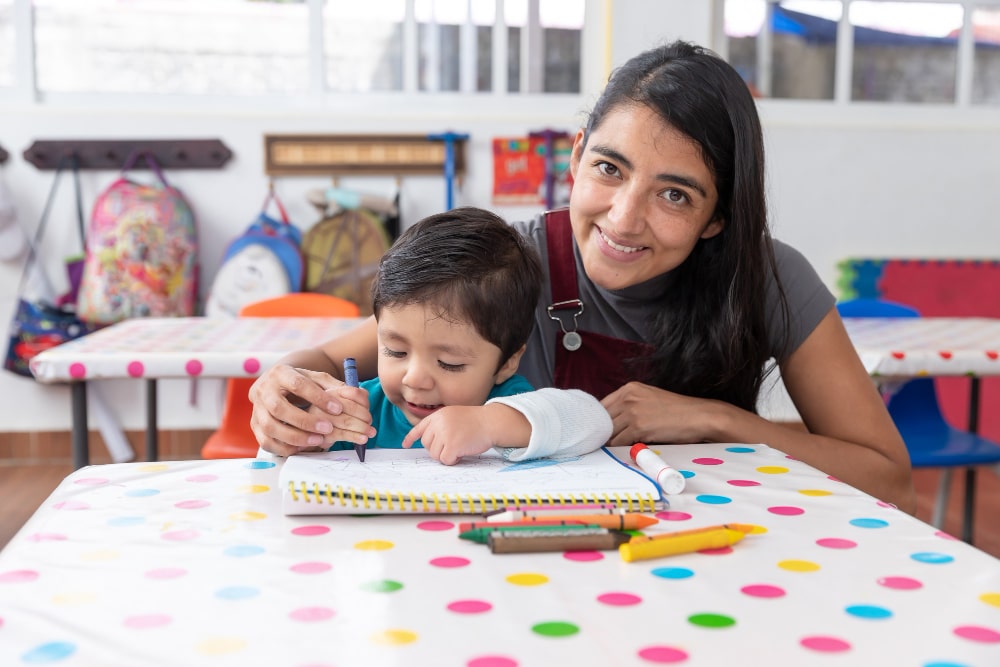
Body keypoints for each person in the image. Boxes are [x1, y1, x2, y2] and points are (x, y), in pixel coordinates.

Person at [249, 40, 916, 513]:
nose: (624, 219)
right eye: (609, 169)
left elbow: (888, 477)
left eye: (675, 195)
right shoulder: (507, 264)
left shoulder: (769, 277)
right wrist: (281, 389)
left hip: (711, 559)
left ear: (718, 217)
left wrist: (715, 419)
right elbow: (329, 359)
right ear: (575, 158)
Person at [297, 207, 611, 465]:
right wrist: (308, 434)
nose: (415, 379)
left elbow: (594, 420)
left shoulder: (507, 401)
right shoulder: (360, 408)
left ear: (507, 361)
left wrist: (490, 424)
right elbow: (293, 457)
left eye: (449, 363)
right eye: (395, 351)